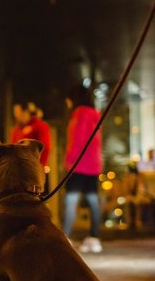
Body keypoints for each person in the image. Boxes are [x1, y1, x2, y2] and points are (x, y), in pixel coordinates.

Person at [61, 84, 103, 253]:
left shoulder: (78, 114)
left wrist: (68, 162)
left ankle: (65, 237)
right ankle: (94, 237)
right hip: (93, 166)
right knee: (93, 201)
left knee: (71, 201)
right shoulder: (95, 114)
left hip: (78, 166)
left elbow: (77, 141)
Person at [10, 102, 52, 193]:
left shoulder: (39, 126)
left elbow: (45, 147)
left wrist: (39, 168)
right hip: (19, 175)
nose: (16, 116)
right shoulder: (16, 130)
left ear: (26, 112)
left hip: (36, 173)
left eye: (18, 112)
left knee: (37, 202)